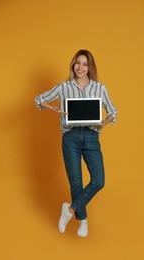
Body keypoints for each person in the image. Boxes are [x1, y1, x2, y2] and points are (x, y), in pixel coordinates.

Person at [35, 50, 117, 237]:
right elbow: (39, 99)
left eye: (85, 64)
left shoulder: (99, 88)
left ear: (90, 68)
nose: (80, 67)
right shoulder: (64, 87)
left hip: (91, 137)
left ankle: (69, 210)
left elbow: (113, 111)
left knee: (99, 180)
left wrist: (103, 123)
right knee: (76, 182)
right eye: (77, 63)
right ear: (73, 65)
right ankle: (83, 221)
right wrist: (53, 108)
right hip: (70, 138)